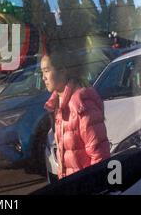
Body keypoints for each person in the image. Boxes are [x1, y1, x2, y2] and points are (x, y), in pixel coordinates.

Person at [41, 49, 111, 179]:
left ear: (62, 70)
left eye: (46, 71)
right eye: (42, 72)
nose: (43, 77)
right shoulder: (58, 105)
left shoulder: (82, 106)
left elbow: (100, 157)